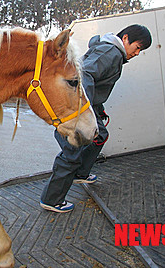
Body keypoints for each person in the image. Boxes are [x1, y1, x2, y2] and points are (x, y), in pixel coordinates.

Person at [40, 24, 152, 213]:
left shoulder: (111, 52)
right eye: (138, 47)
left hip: (86, 107)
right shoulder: (111, 53)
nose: (137, 53)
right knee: (72, 153)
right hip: (74, 109)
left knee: (100, 135)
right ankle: (51, 200)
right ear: (125, 38)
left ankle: (81, 173)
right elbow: (85, 73)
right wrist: (84, 110)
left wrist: (95, 110)